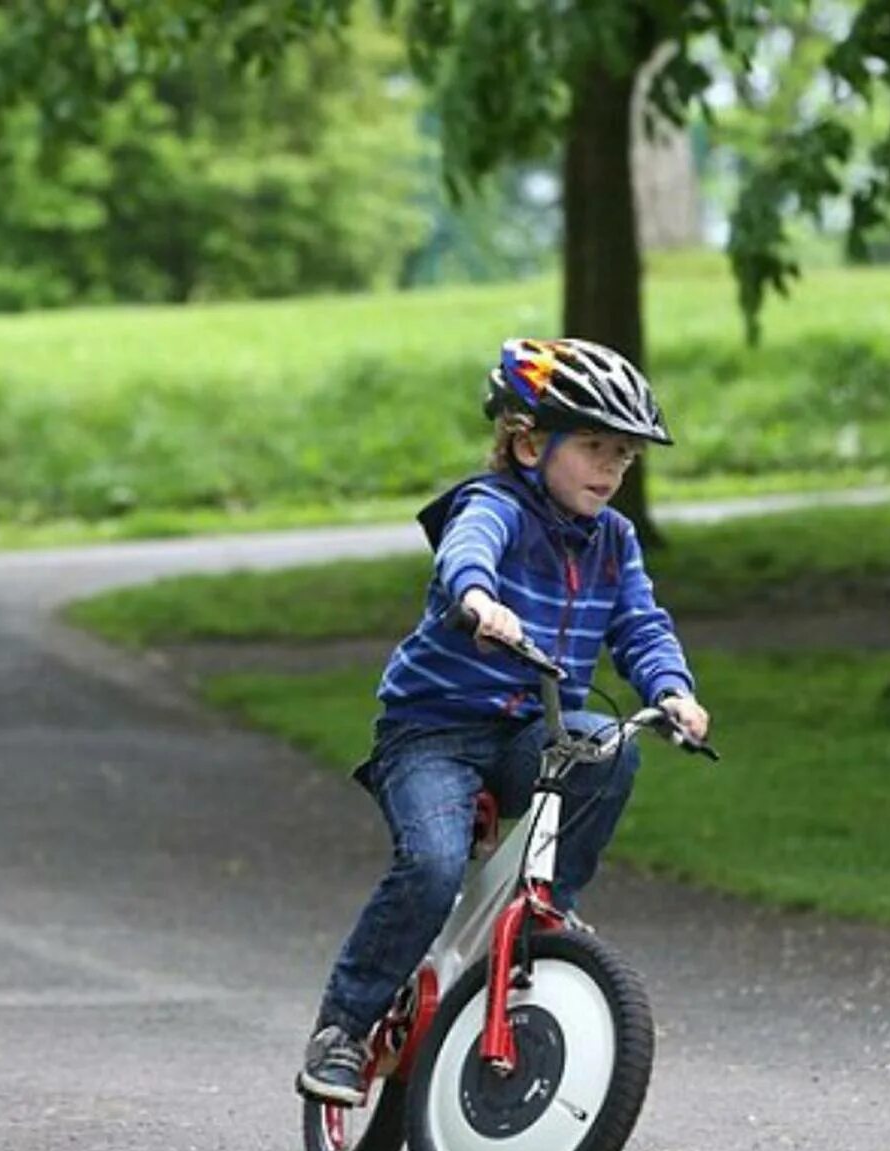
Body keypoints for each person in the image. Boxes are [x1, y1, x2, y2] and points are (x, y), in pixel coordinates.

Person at [297, 337, 712, 1106]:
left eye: (623, 455)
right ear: (527, 442)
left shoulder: (614, 540)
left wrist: (675, 689)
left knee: (609, 747)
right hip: (435, 731)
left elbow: (641, 627)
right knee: (430, 865)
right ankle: (345, 1028)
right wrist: (480, 601)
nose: (610, 470)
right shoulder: (492, 507)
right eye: (592, 446)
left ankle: (551, 904)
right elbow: (466, 552)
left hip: (534, 729)